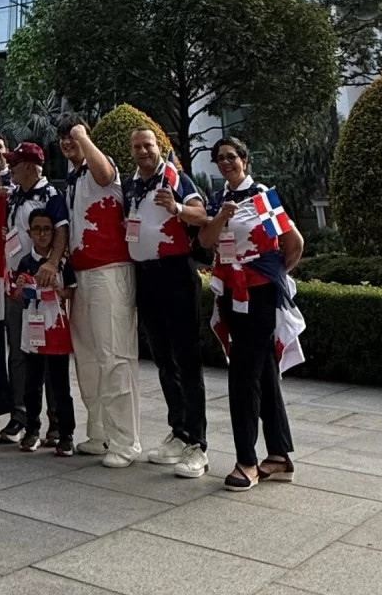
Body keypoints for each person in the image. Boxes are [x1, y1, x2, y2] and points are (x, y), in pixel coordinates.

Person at [198, 137, 306, 492]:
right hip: (231, 293)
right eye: (220, 158)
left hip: (257, 293)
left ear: (245, 160)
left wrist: (271, 274)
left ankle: (247, 460)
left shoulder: (261, 197)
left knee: (243, 376)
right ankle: (277, 455)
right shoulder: (219, 199)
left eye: (231, 157)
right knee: (263, 373)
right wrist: (223, 215)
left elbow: (294, 243)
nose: (226, 162)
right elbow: (205, 241)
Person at [123, 128, 211, 479]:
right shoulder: (132, 186)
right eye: (137, 146)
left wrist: (175, 207)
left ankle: (198, 445)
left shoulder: (174, 176)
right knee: (162, 358)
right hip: (146, 276)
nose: (143, 151)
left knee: (187, 358)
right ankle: (180, 430)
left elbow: (201, 213)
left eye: (148, 145)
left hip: (176, 273)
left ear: (158, 147)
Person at [60, 115, 140, 468]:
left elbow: (106, 175)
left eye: (73, 134)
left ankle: (126, 441)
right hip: (82, 273)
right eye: (63, 136)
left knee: (115, 355)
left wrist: (81, 136)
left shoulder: (101, 167)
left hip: (110, 271)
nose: (68, 140)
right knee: (89, 357)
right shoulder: (73, 179)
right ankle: (100, 431)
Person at [0, 142, 69, 445]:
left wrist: (52, 262)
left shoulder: (51, 195)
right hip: (17, 284)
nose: (10, 168)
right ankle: (20, 415)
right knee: (19, 351)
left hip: (44, 284)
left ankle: (54, 422)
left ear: (28, 166)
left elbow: (62, 229)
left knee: (50, 354)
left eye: (14, 163)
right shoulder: (13, 195)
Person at [12, 209, 77, 457]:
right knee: (32, 383)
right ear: (29, 233)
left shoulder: (61, 262)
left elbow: (71, 292)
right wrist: (19, 288)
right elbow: (17, 296)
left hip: (56, 329)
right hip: (33, 330)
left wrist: (60, 291)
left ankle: (65, 432)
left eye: (47, 229)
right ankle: (32, 429)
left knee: (60, 384)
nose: (42, 234)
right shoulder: (24, 262)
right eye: (37, 229)